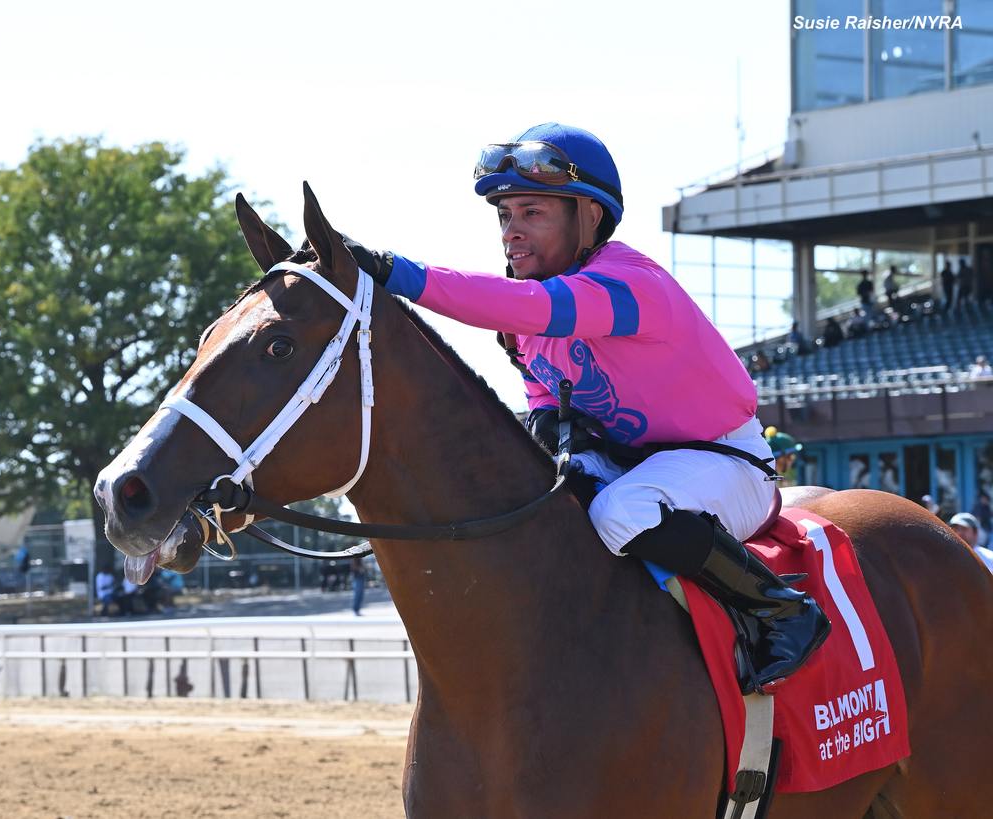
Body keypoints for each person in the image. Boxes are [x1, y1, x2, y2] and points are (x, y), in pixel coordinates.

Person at [344, 122, 829, 693]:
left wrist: (398, 273)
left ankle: (781, 611)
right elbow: (545, 397)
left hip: (725, 465)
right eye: (505, 216)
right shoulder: (525, 319)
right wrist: (555, 441)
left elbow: (542, 309)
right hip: (634, 463)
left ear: (589, 217)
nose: (511, 233)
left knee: (620, 512)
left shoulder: (628, 282)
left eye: (532, 213)